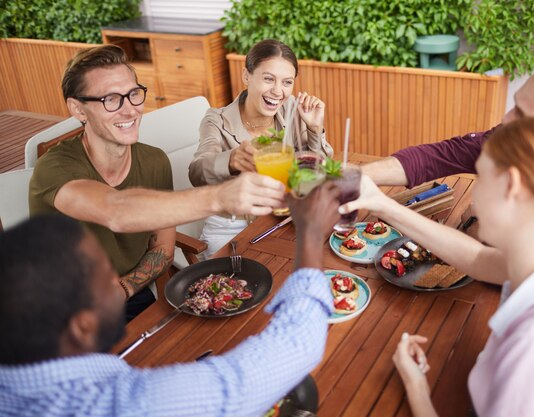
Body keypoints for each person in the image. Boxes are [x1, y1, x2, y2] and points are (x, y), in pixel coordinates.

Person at [341, 116, 534, 416]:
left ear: (513, 185)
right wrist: (381, 203)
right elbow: (479, 259)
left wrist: (417, 388)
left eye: (481, 179)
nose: (472, 198)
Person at [0, 180, 340, 417]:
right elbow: (296, 345)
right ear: (82, 326)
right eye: (107, 276)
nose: (118, 282)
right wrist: (310, 234)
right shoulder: (136, 404)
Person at [29, 45, 286, 321]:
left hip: (132, 296)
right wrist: (220, 197)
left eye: (133, 95)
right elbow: (115, 211)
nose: (129, 111)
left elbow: (162, 249)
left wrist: (126, 287)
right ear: (78, 109)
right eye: (111, 99)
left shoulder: (154, 161)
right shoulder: (55, 168)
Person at [362, 59, 534, 232]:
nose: (506, 119)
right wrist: (356, 176)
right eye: (515, 104)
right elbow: (436, 157)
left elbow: (496, 265)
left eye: (523, 115)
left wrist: (476, 222)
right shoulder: (516, 142)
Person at [188, 38, 333, 255]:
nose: (278, 91)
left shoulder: (294, 109)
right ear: (246, 75)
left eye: (287, 82)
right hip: (230, 226)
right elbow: (197, 172)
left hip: (281, 219)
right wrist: (231, 159)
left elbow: (318, 175)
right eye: (268, 79)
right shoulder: (216, 120)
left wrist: (314, 129)